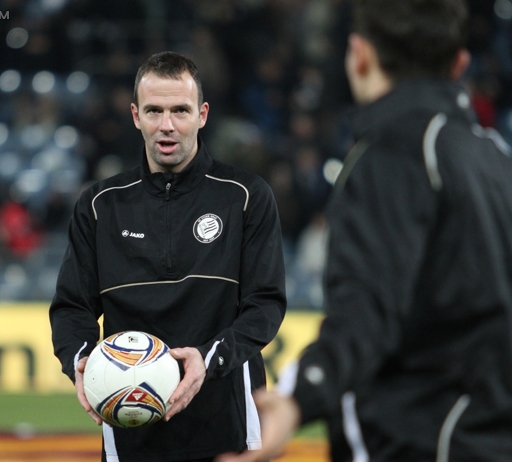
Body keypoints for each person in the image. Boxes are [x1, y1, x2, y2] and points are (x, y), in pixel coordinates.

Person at [218, 0, 512, 461]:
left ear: (358, 54)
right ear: (459, 64)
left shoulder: (393, 155)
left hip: (417, 437)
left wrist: (298, 398)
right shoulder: (494, 156)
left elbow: (369, 309)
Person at [49, 51, 286, 462]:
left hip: (226, 424)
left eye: (180, 110)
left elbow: (265, 304)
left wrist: (208, 360)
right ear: (136, 115)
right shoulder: (100, 205)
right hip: (130, 429)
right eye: (155, 111)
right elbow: (71, 308)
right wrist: (80, 361)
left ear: (203, 115)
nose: (167, 126)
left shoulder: (245, 196)